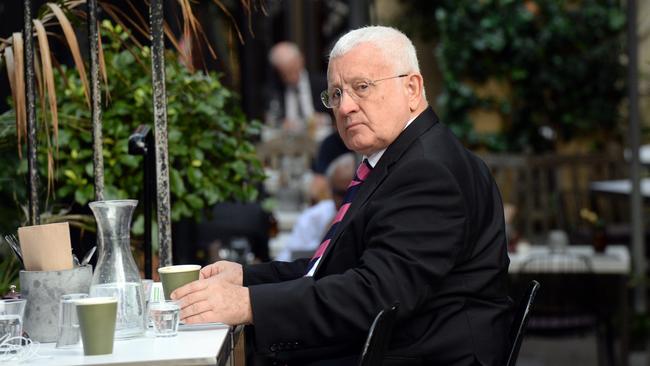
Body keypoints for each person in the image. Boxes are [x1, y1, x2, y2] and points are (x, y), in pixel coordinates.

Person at [173, 26, 512, 365]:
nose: (345, 106)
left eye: (361, 87)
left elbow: (375, 293)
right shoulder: (400, 159)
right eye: (335, 94)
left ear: (412, 87)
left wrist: (248, 304)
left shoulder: (426, 169)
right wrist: (246, 278)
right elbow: (333, 270)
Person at [276, 153, 357, 262]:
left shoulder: (372, 217)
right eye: (340, 193)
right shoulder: (314, 216)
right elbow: (286, 258)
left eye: (352, 194)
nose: (346, 200)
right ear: (330, 190)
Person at [266, 41, 328, 133]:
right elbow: (271, 119)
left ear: (300, 60)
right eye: (285, 73)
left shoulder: (322, 83)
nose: (290, 77)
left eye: (292, 69)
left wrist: (323, 119)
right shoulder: (275, 91)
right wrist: (281, 123)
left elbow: (334, 114)